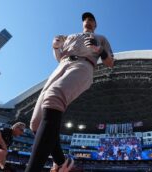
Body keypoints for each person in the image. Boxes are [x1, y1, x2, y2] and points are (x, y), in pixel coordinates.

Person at [26, 12, 114, 172]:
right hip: (62, 65)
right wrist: (55, 46)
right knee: (36, 123)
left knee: (54, 95)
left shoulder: (101, 38)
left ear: (95, 25)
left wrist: (99, 50)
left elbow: (110, 62)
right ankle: (63, 163)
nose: (87, 21)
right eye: (85, 19)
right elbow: (59, 57)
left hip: (83, 65)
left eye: (91, 19)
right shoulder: (71, 36)